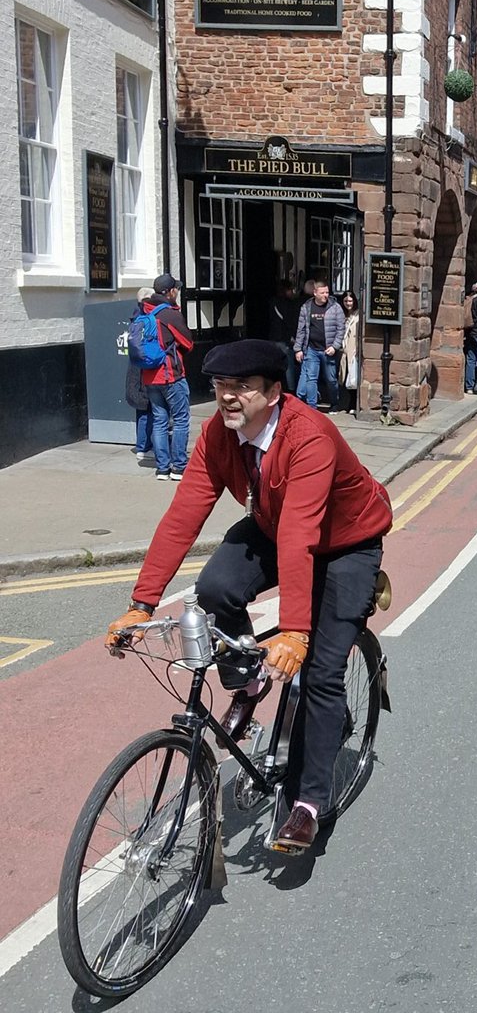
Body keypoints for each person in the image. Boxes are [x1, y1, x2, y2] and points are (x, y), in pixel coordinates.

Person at [105, 339, 393, 853]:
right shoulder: (219, 434)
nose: (228, 397)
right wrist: (141, 603)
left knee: (321, 672)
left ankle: (307, 804)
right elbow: (184, 514)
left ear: (274, 392)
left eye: (242, 387)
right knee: (215, 588)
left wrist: (295, 632)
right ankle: (250, 679)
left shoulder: (309, 436)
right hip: (274, 525)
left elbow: (301, 535)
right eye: (220, 386)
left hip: (346, 542)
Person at [143, 274, 193, 481]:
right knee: (180, 419)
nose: (178, 292)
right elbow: (188, 343)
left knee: (159, 420)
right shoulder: (170, 314)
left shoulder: (145, 310)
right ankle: (179, 467)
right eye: (176, 289)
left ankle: (162, 468)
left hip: (149, 376)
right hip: (170, 374)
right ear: (170, 292)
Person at [294, 278, 344, 411]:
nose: (325, 295)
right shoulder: (306, 307)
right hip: (312, 349)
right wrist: (298, 349)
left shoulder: (335, 307)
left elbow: (341, 329)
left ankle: (334, 403)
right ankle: (312, 407)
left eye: (327, 292)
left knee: (331, 380)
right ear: (315, 292)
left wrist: (335, 346)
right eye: (322, 293)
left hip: (328, 349)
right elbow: (301, 329)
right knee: (311, 379)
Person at [126, 286, 155, 465]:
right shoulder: (144, 320)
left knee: (143, 409)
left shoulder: (136, 319)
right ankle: (144, 447)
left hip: (137, 369)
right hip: (143, 369)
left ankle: (144, 445)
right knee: (145, 408)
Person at [268, 279, 302, 394]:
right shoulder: (288, 304)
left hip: (274, 337)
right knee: (289, 366)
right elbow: (289, 322)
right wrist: (293, 336)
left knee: (276, 365)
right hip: (285, 338)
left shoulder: (273, 302)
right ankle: (291, 389)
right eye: (290, 289)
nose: (292, 292)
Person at [336, 291, 360, 414]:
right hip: (343, 351)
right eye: (346, 301)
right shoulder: (341, 315)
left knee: (353, 377)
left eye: (350, 301)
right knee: (344, 377)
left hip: (353, 350)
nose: (348, 303)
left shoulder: (358, 315)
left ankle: (353, 405)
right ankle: (346, 404)